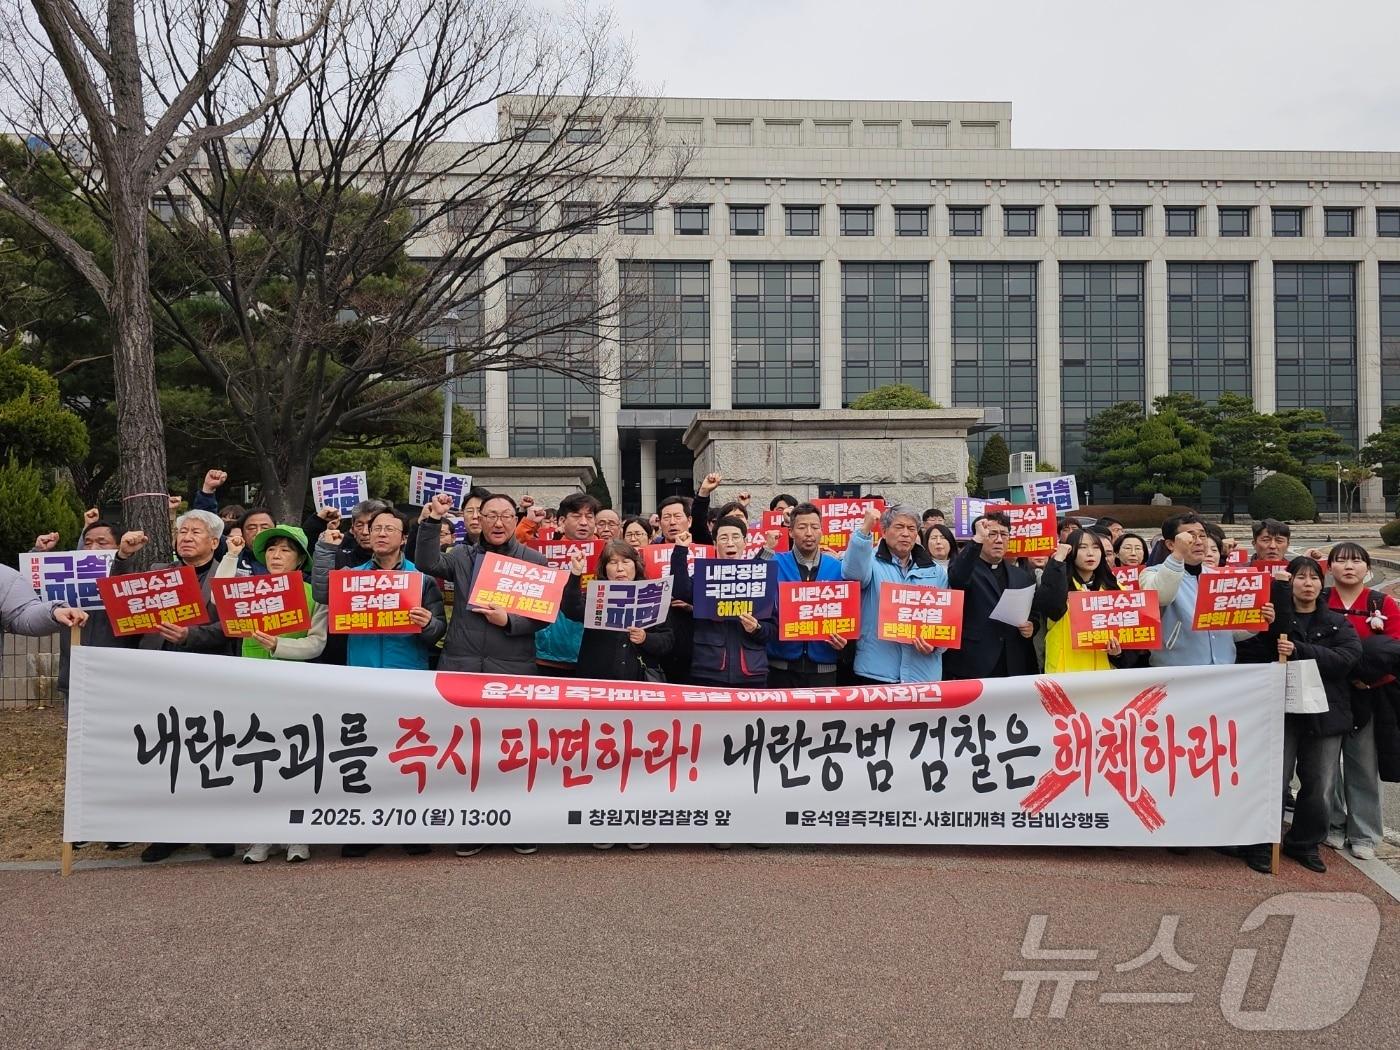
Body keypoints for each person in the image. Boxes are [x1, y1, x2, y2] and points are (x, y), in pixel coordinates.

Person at [1237, 557, 1360, 874]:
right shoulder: (1275, 620)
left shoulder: (1336, 622)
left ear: (1322, 584)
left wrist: (1301, 650)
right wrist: (1265, 628)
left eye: (1313, 578)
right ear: (1288, 583)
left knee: (1320, 783)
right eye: (1300, 577)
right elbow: (1249, 656)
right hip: (1278, 709)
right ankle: (1264, 843)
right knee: (1272, 779)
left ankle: (1304, 842)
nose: (1307, 583)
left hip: (1325, 712)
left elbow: (1346, 659)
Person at [218, 525, 327, 864]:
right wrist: (232, 555)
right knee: (258, 759)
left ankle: (299, 835)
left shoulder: (314, 594)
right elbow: (217, 596)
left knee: (296, 759)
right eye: (272, 549)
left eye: (286, 550)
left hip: (296, 686)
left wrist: (281, 645)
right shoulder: (248, 590)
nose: (277, 555)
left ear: (300, 559)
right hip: (253, 685)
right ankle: (262, 835)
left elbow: (317, 642)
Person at [414, 492, 548, 676]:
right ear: (480, 519)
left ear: (515, 520)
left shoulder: (534, 560)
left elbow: (543, 616)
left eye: (506, 516)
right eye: (491, 516)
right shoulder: (462, 555)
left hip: (512, 666)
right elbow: (427, 563)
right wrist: (435, 518)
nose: (498, 523)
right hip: (460, 664)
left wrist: (509, 621)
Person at [1323, 542, 1397, 862]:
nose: (1348, 566)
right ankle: (1333, 823)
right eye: (1340, 561)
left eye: (1356, 561)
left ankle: (1364, 832)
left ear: (1367, 569)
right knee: (1325, 767)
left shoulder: (1383, 603)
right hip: (1328, 692)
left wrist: (1366, 678)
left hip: (1368, 692)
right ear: (1329, 568)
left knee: (1363, 764)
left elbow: (1394, 649)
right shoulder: (1322, 600)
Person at [1139, 513, 1274, 671]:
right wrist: (1177, 556)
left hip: (1222, 669)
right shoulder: (1152, 573)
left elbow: (1229, 632)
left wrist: (1255, 622)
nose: (1198, 542)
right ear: (1170, 544)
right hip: (1176, 672)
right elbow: (1162, 596)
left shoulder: (1218, 577)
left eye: (1202, 536)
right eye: (1190, 537)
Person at [842, 503, 947, 685]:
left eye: (911, 528)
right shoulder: (870, 562)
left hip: (923, 673)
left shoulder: (935, 571)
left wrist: (936, 646)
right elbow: (853, 574)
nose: (905, 534)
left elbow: (946, 618)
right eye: (899, 527)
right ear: (884, 531)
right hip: (876, 670)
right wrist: (864, 530)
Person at [669, 516, 776, 687]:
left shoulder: (760, 578)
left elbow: (773, 629)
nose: (730, 543)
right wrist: (680, 550)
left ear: (745, 542)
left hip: (752, 672)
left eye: (735, 537)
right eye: (723, 538)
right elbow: (681, 591)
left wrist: (757, 628)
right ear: (715, 543)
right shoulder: (706, 576)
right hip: (708, 670)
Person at [944, 513, 1038, 680]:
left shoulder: (1022, 576)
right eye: (992, 534)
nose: (999, 540)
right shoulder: (966, 569)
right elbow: (957, 579)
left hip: (1014, 663)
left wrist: (1032, 626)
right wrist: (976, 540)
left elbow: (1033, 612)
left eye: (1004, 534)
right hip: (974, 663)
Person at [562, 540, 673, 682]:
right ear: (605, 568)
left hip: (638, 681)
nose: (620, 568)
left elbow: (667, 640)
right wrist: (575, 573)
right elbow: (570, 608)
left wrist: (646, 638)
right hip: (597, 680)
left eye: (626, 561)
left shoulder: (653, 594)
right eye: (613, 563)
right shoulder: (597, 595)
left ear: (636, 565)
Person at [1034, 530, 1141, 674]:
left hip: (1104, 678)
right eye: (1083, 547)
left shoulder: (1116, 589)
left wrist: (1118, 654)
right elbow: (1050, 605)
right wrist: (1058, 559)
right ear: (1071, 552)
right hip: (1065, 674)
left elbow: (1131, 642)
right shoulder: (1061, 586)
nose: (1090, 553)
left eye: (1096, 548)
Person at [767, 503, 849, 689]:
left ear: (822, 531)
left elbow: (848, 613)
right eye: (802, 527)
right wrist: (766, 549)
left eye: (815, 527)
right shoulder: (775, 562)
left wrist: (845, 642)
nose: (809, 533)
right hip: (780, 667)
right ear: (790, 532)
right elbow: (753, 583)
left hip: (824, 668)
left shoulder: (838, 568)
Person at [530, 493, 601, 677]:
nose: (584, 522)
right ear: (562, 520)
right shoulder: (542, 554)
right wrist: (528, 522)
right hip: (548, 652)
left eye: (589, 517)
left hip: (591, 652)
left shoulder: (608, 555)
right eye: (577, 516)